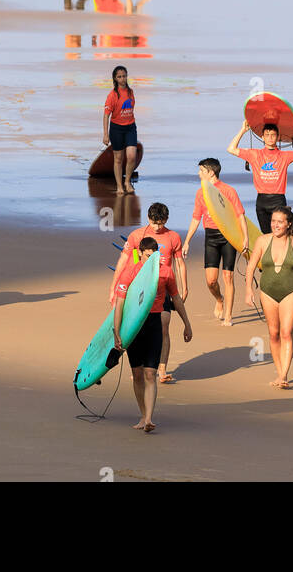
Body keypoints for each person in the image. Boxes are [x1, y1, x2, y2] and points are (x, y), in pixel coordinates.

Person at [112, 237, 192, 433]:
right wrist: (117, 331)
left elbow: (176, 299)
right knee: (137, 374)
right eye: (147, 256)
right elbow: (120, 304)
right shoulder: (129, 273)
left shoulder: (165, 272)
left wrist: (187, 324)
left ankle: (148, 418)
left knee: (150, 373)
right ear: (140, 253)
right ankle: (142, 414)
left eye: (154, 256)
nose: (151, 260)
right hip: (134, 326)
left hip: (154, 323)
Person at [110, 203, 186, 384]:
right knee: (140, 327)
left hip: (163, 286)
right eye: (153, 223)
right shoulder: (137, 236)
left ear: (166, 220)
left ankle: (162, 368)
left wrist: (185, 287)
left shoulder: (173, 237)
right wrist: (114, 286)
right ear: (148, 219)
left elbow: (180, 263)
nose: (157, 227)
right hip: (139, 289)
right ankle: (141, 366)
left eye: (160, 223)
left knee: (163, 326)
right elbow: (124, 260)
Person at [245, 206, 293, 390]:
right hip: (267, 292)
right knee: (273, 334)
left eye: (280, 222)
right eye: (273, 221)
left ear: (288, 224)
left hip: (291, 291)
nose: (275, 225)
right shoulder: (263, 241)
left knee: (286, 332)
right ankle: (280, 373)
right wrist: (248, 289)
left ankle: (283, 375)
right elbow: (250, 267)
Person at [183, 158, 250, 326]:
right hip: (211, 237)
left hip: (228, 236)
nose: (199, 174)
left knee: (228, 276)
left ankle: (228, 316)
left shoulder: (228, 190)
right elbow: (196, 218)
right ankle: (219, 299)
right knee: (211, 281)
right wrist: (187, 241)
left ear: (211, 172)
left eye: (201, 171)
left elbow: (240, 215)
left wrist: (245, 238)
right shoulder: (201, 193)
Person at [227, 120, 293, 233]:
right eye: (267, 135)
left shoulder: (284, 156)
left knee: (280, 234)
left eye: (273, 135)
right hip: (261, 200)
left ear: (277, 137)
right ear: (262, 137)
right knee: (266, 234)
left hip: (278, 200)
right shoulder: (254, 154)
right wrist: (243, 130)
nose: (270, 138)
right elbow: (231, 149)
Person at [102, 64, 138, 194]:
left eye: (124, 76)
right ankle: (119, 186)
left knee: (132, 156)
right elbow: (106, 115)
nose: (122, 79)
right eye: (119, 77)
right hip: (116, 129)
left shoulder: (130, 92)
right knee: (118, 158)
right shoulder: (112, 95)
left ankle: (127, 181)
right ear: (115, 79)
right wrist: (105, 134)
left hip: (130, 127)